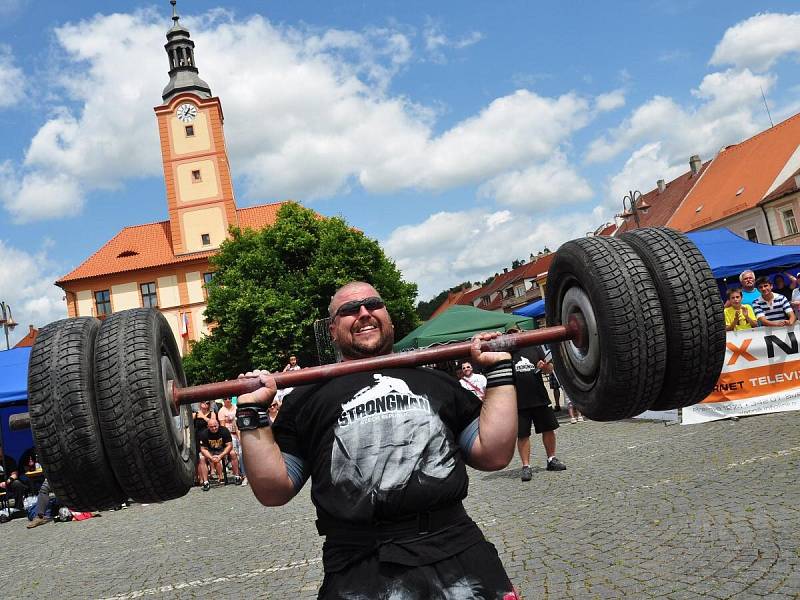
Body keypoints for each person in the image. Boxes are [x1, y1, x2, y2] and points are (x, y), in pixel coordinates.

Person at [238, 281, 520, 599]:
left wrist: (499, 371)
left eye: (373, 304)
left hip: (456, 546)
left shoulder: (436, 380)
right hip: (360, 565)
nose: (363, 313)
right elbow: (274, 490)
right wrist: (251, 412)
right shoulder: (306, 397)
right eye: (348, 310)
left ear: (389, 320)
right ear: (332, 330)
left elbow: (494, 453)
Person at [506, 327, 566, 482]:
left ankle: (551, 459)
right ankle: (526, 466)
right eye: (510, 333)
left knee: (548, 429)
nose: (513, 335)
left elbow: (549, 369)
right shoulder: (506, 353)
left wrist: (544, 366)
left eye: (515, 331)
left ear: (520, 332)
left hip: (539, 397)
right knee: (523, 434)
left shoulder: (533, 346)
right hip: (519, 402)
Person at [197, 419, 241, 491]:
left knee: (233, 453)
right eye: (211, 427)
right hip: (210, 451)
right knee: (202, 458)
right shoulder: (204, 434)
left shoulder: (224, 431)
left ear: (218, 425)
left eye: (215, 426)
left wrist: (221, 455)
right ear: (208, 427)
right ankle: (206, 482)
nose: (214, 428)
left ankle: (237, 476)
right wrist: (211, 457)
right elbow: (203, 449)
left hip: (223, 450)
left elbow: (229, 445)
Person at [217, 397, 246, 485]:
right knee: (234, 454)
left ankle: (244, 474)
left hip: (239, 432)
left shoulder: (236, 408)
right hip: (229, 434)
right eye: (225, 398)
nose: (228, 400)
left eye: (229, 398)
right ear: (223, 400)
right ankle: (238, 474)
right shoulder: (221, 411)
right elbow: (223, 426)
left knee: (242, 453)